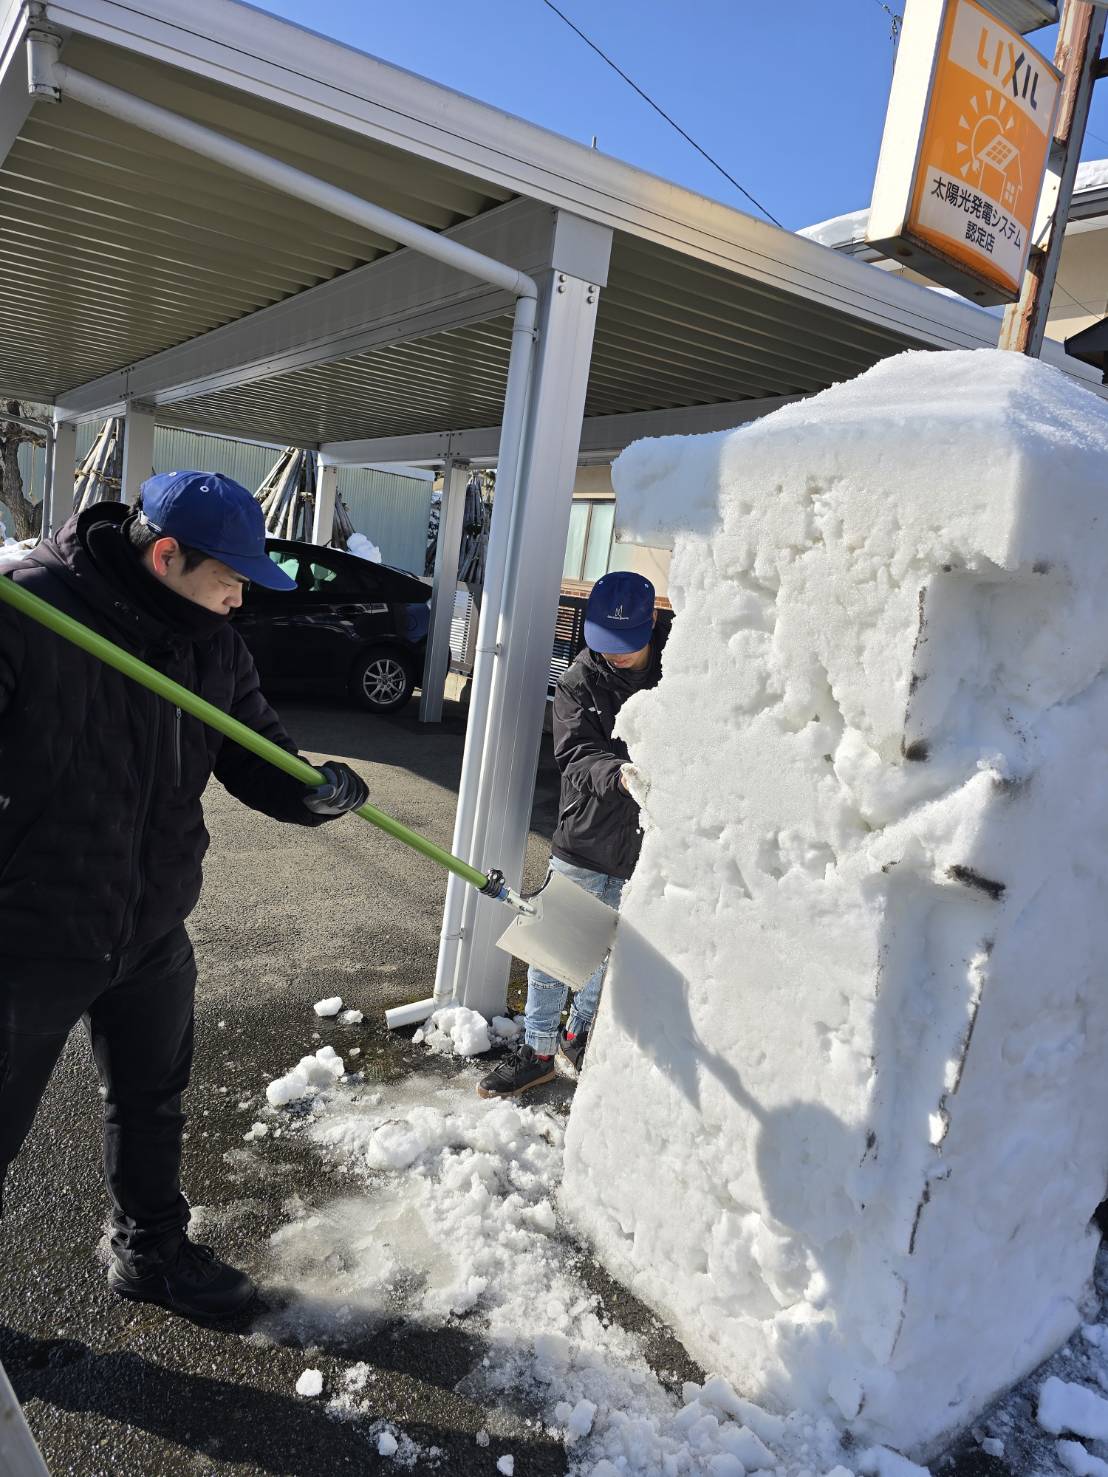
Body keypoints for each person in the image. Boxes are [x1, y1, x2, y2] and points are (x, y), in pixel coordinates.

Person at [0, 472, 370, 1319]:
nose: (241, 599)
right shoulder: (29, 613)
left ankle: (151, 1250)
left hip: (152, 924)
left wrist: (310, 791)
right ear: (166, 554)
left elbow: (258, 756)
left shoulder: (214, 647)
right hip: (28, 931)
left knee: (151, 1100)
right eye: (231, 578)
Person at [478, 570, 665, 1100]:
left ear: (652, 625)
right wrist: (620, 774)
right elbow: (575, 755)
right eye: (608, 644)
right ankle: (536, 1052)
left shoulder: (680, 667)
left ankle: (578, 1037)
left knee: (612, 954)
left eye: (628, 646)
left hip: (646, 845)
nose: (617, 656)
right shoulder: (580, 679)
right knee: (552, 949)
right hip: (585, 838)